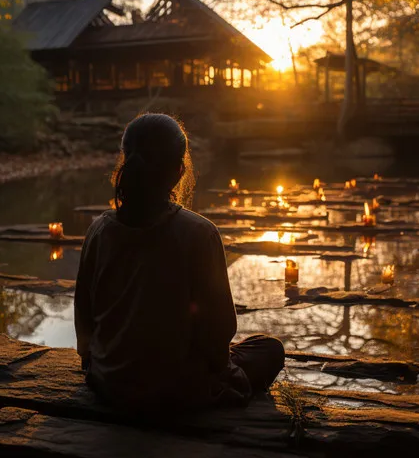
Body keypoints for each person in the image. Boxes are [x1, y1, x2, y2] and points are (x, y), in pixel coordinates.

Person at [74, 113, 285, 413]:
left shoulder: (98, 230)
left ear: (126, 161)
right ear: (178, 171)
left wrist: (98, 363)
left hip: (110, 383)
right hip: (176, 390)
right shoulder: (199, 233)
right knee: (270, 349)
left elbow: (85, 315)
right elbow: (220, 329)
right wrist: (220, 369)